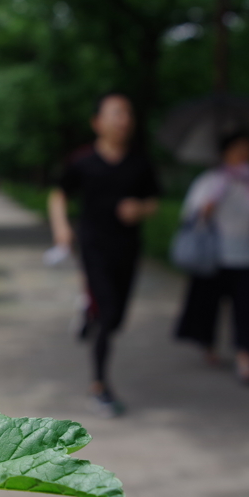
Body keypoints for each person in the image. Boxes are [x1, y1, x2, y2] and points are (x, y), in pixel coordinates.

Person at [47, 92, 161, 417]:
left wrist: (139, 208)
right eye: (115, 113)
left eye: (127, 113)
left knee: (117, 318)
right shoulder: (82, 161)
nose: (123, 120)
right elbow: (58, 194)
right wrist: (62, 228)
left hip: (127, 249)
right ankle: (99, 386)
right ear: (97, 123)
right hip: (93, 247)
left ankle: (88, 309)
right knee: (108, 315)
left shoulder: (140, 162)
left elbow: (153, 201)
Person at [174, 128, 249, 384]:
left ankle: (245, 358)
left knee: (247, 310)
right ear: (225, 152)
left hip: (246, 257)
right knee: (206, 305)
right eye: (238, 149)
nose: (243, 155)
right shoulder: (211, 181)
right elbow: (191, 217)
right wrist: (207, 208)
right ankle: (207, 343)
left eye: (248, 150)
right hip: (213, 256)